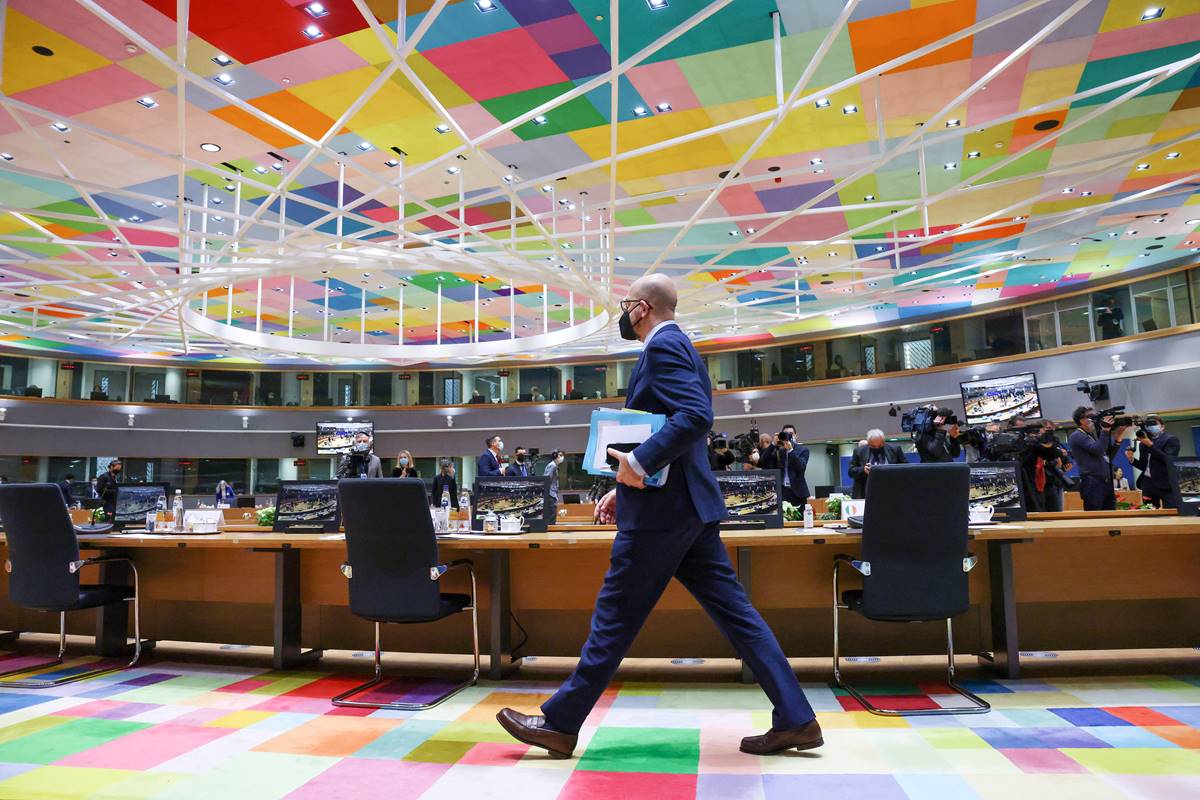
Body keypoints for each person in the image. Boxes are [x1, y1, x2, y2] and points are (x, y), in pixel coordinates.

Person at [497, 274, 821, 758]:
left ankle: (560, 724)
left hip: (663, 516)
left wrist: (639, 464)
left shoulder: (663, 347)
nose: (623, 313)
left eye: (626, 305)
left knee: (614, 617)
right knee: (738, 617)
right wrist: (620, 482)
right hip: (686, 508)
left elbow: (693, 417)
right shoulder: (679, 345)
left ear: (642, 307)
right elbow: (662, 426)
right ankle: (797, 718)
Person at [1068, 406, 1127, 511]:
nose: (1095, 420)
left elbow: (1107, 457)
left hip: (1105, 481)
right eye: (1091, 417)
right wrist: (1105, 431)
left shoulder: (1091, 435)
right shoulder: (1077, 436)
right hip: (1092, 482)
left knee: (1110, 515)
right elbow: (1098, 450)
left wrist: (1118, 439)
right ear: (1082, 420)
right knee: (1095, 517)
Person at [1126, 415, 1181, 508]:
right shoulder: (1143, 443)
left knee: (1172, 512)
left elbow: (1168, 460)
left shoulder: (1171, 439)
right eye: (1148, 424)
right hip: (1148, 484)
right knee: (1150, 513)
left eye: (1154, 424)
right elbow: (1144, 466)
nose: (1151, 426)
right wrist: (1132, 459)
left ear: (1162, 426)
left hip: (1166, 483)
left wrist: (1150, 445)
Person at [847, 430, 905, 499]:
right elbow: (851, 471)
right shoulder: (859, 451)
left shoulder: (895, 449)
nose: (877, 448)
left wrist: (893, 471)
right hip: (867, 492)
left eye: (880, 445)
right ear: (868, 443)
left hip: (891, 490)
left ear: (883, 441)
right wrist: (863, 470)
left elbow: (906, 467)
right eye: (873, 446)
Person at [778, 429, 810, 507]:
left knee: (800, 518)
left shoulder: (803, 450)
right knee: (784, 518)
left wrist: (791, 450)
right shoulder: (781, 451)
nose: (788, 436)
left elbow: (801, 467)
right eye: (786, 433)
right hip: (783, 490)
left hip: (798, 492)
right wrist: (773, 443)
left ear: (796, 435)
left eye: (791, 433)